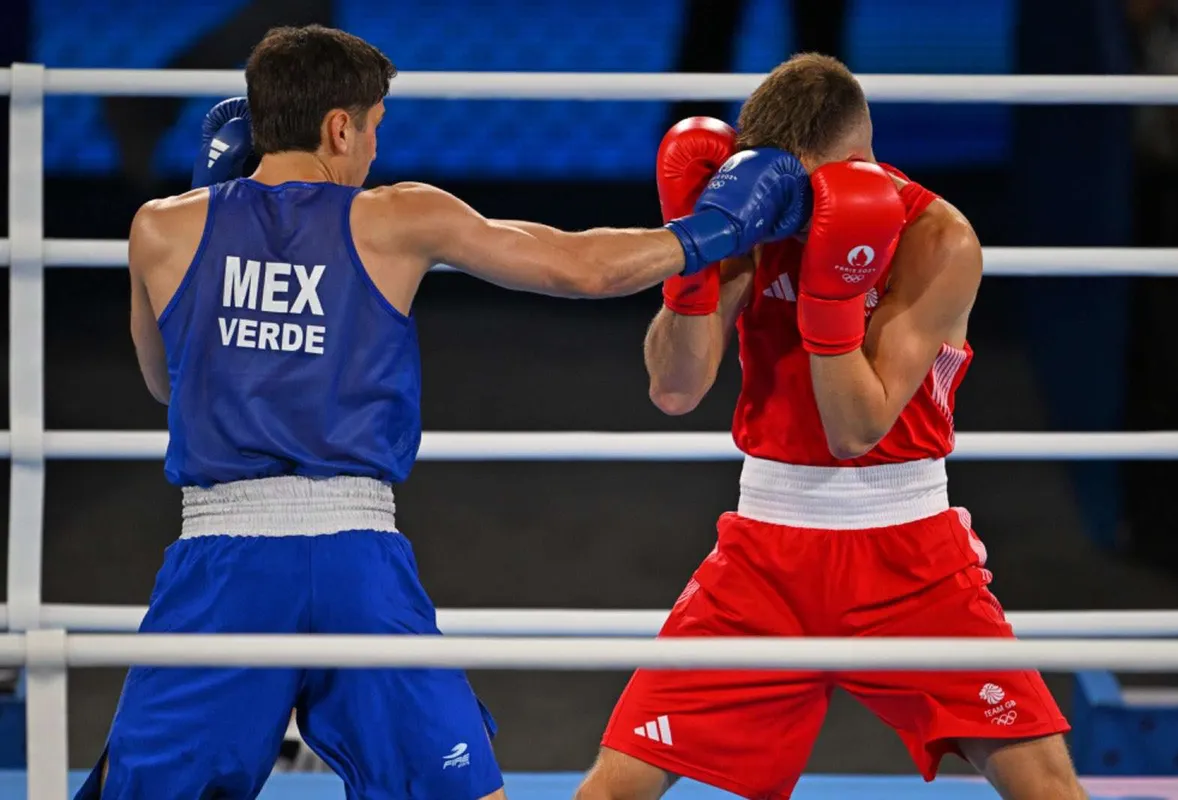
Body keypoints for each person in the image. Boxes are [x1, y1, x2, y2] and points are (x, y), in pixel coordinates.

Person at [76, 24, 810, 800]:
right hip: (354, 561)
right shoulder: (399, 219)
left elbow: (165, 383)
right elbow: (580, 269)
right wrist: (714, 232)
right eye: (374, 131)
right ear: (338, 127)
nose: (373, 155)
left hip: (220, 563)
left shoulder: (161, 228)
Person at [576, 54, 1088, 800]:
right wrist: (694, 252)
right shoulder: (758, 215)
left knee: (1048, 789)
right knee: (611, 789)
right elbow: (676, 388)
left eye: (808, 190)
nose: (789, 207)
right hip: (763, 554)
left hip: (910, 558)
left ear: (855, 165)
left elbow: (857, 427)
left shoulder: (939, 240)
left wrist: (832, 285)